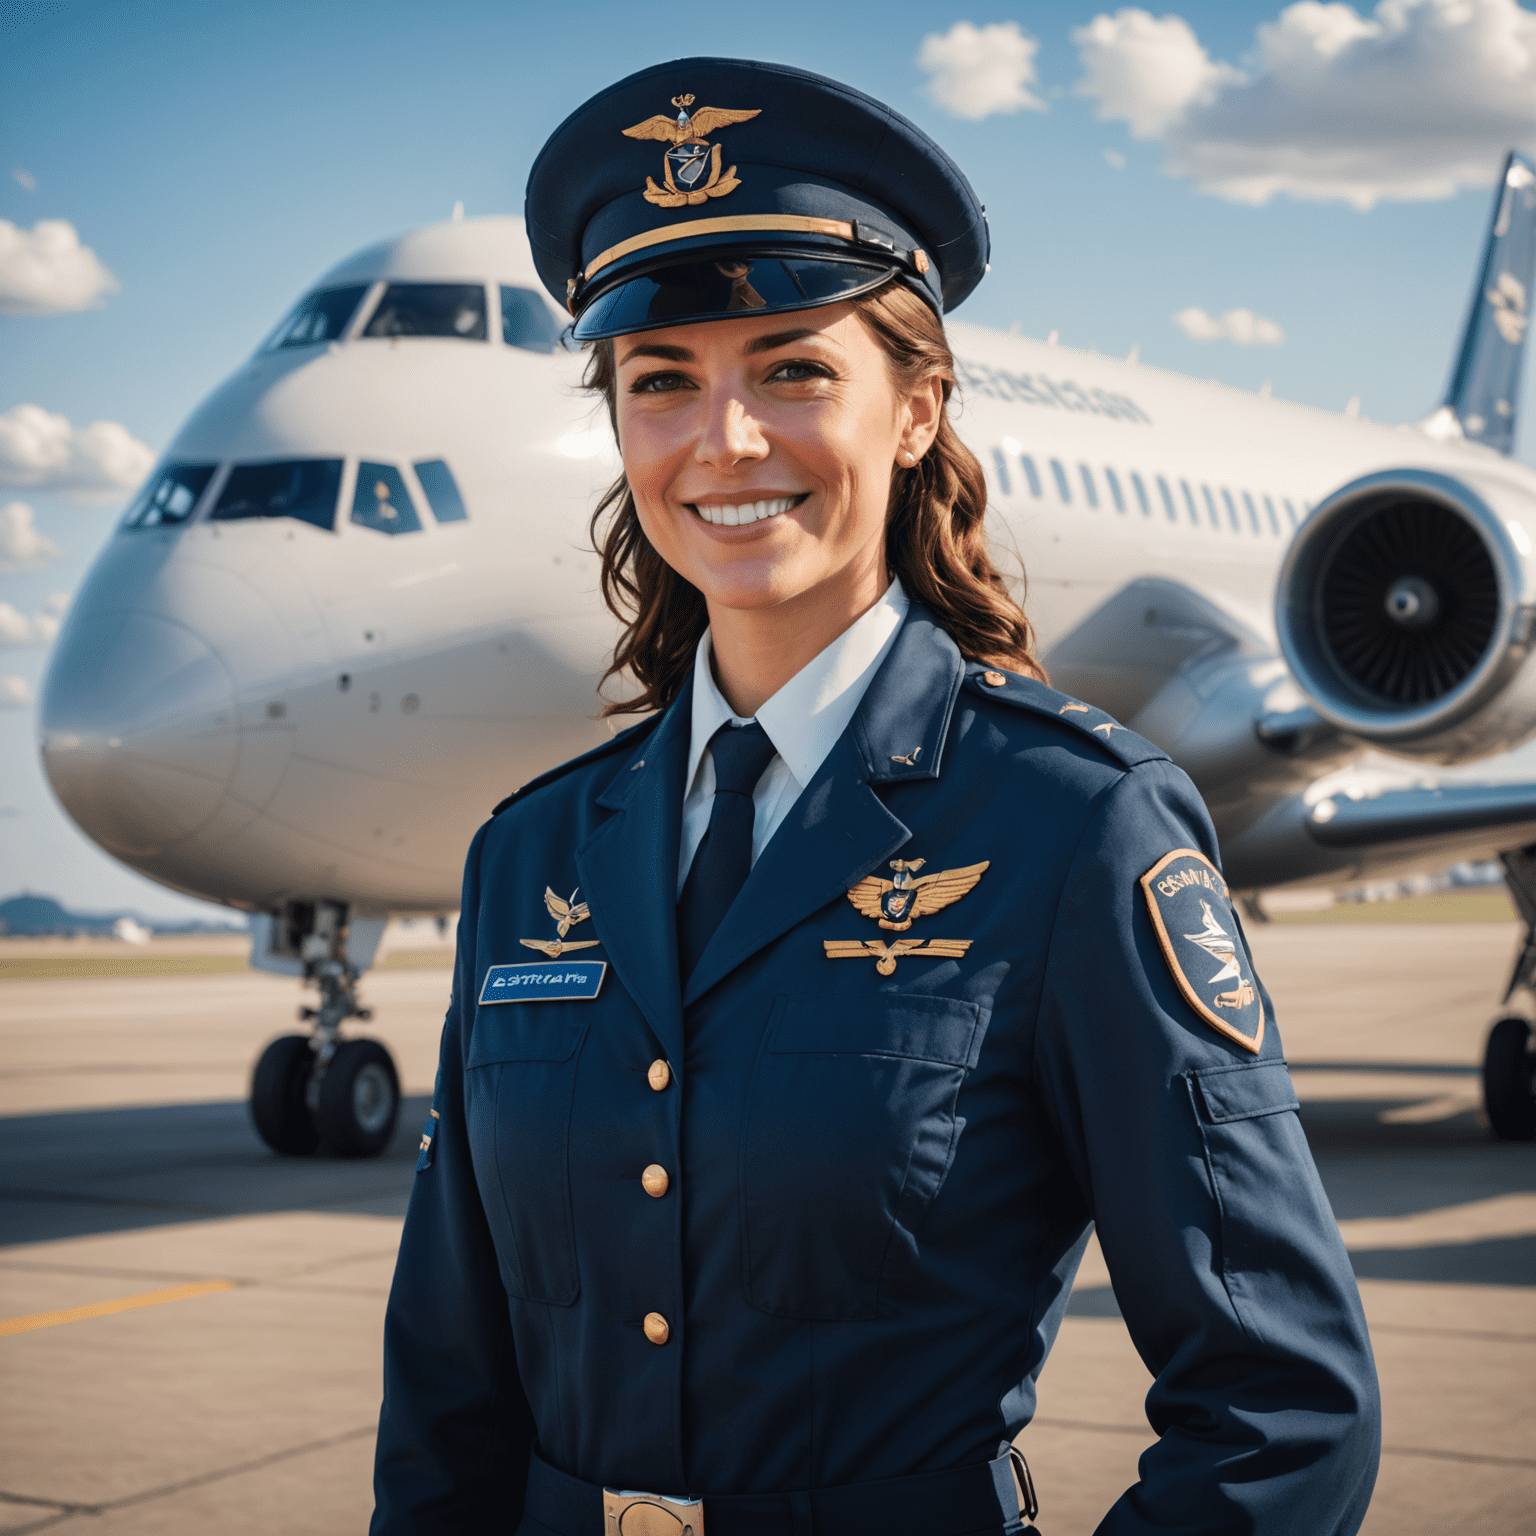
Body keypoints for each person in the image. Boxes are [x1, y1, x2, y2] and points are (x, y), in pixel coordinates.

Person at [371, 57, 1380, 1536]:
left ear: (914, 413)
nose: (724, 441)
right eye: (664, 382)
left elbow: (1283, 1406)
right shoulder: (529, 858)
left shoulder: (1070, 824)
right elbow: (449, 1394)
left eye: (792, 368)